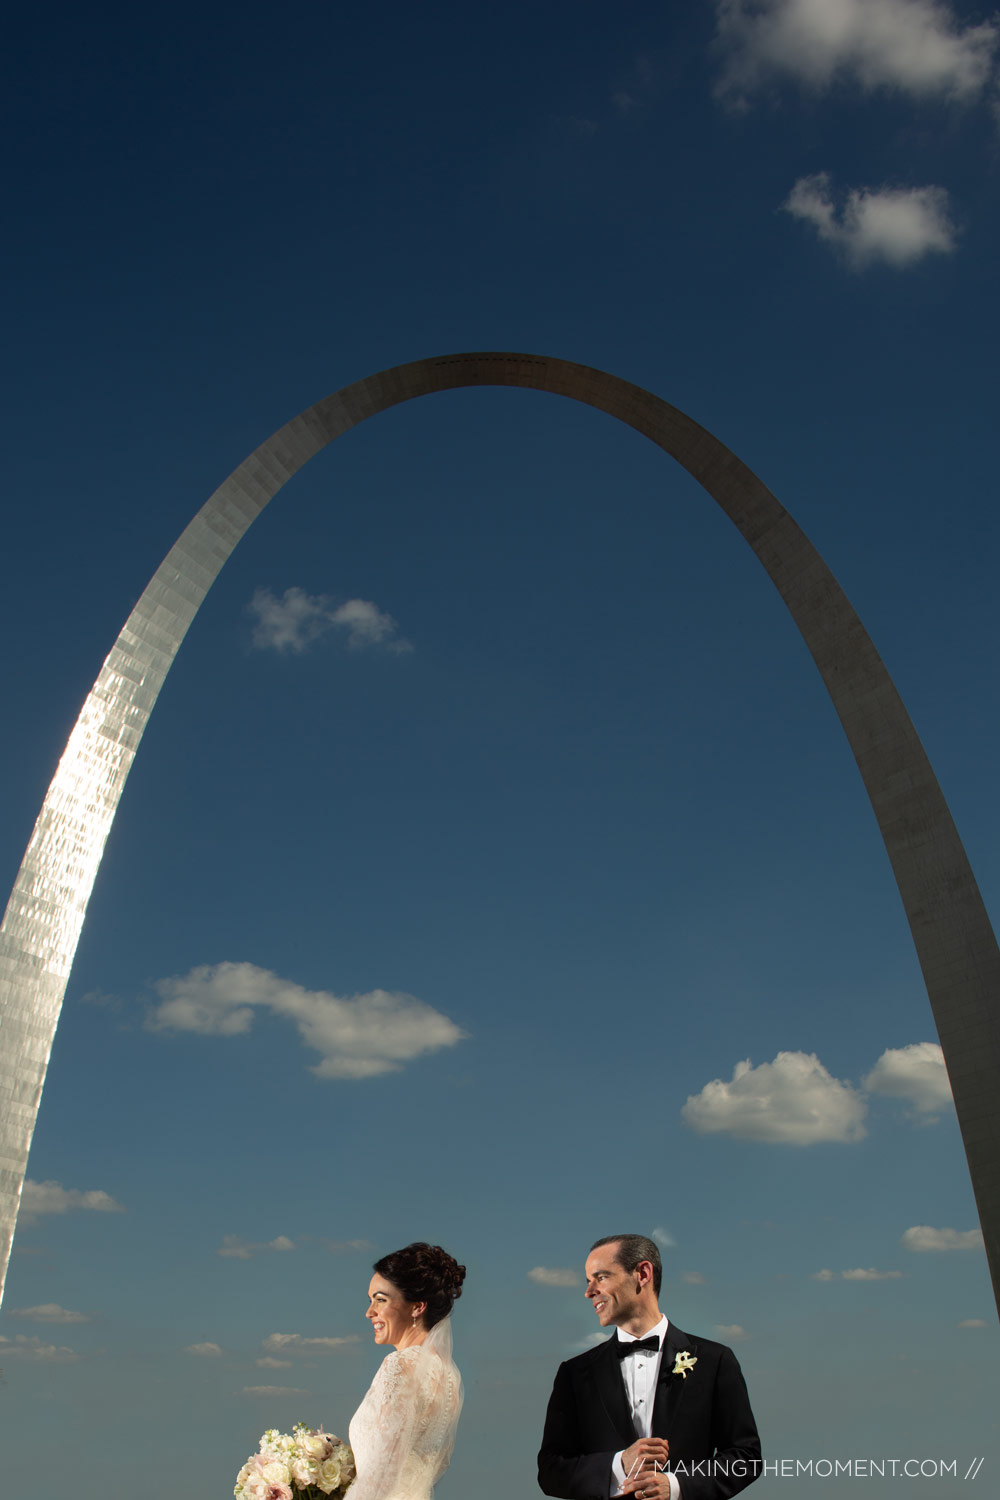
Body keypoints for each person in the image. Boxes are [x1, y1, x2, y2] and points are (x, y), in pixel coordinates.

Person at [538, 1234, 761, 1500]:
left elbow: (746, 1458)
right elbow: (551, 1472)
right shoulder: (573, 1374)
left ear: (643, 1274)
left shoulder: (716, 1361)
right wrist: (619, 1465)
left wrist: (676, 1486)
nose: (589, 1292)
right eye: (588, 1281)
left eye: (601, 1277)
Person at [347, 1242, 465, 1500]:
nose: (369, 1312)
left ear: (416, 1307)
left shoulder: (398, 1365)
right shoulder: (448, 1376)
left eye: (381, 1300)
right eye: (370, 1300)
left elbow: (382, 1472)